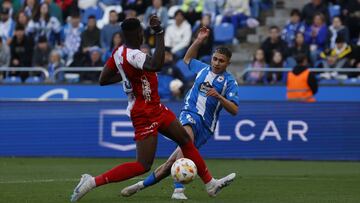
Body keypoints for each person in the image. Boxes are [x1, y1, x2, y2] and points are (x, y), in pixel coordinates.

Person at [70, 16, 235, 202]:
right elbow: (156, 64)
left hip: (156, 107)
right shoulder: (134, 55)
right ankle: (91, 181)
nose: (143, 34)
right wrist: (159, 33)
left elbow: (104, 79)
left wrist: (128, 77)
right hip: (143, 112)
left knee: (184, 140)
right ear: (138, 34)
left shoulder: (118, 52)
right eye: (141, 31)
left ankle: (210, 184)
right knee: (143, 165)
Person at [120, 27, 239, 200]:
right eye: (215, 58)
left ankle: (138, 186)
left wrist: (219, 97)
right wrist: (199, 40)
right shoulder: (203, 69)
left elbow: (235, 110)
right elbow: (187, 58)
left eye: (221, 60)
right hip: (190, 114)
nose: (216, 63)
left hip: (206, 126)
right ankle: (179, 190)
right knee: (186, 140)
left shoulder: (230, 82)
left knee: (170, 165)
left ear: (227, 63)